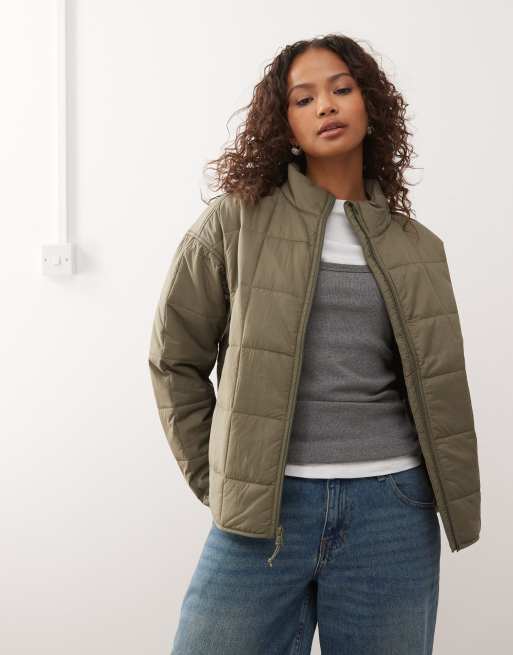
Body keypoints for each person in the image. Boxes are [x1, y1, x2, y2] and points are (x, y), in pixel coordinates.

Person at [148, 33, 481, 655]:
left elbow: (434, 384)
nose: (325, 105)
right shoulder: (236, 222)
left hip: (392, 508)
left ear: (370, 105)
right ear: (286, 126)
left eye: (341, 89)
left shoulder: (417, 247)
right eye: (304, 99)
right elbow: (174, 360)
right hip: (264, 514)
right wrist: (221, 478)